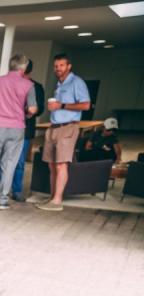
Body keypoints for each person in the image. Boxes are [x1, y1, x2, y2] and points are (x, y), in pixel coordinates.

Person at [0, 54, 38, 210]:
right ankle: (2, 200)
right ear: (24, 67)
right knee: (9, 164)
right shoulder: (28, 85)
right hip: (17, 128)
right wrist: (26, 112)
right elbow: (32, 109)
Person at [39, 53, 91, 211]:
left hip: (68, 127)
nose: (58, 69)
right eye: (56, 66)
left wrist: (61, 106)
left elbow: (86, 105)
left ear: (69, 66)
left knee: (61, 165)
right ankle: (52, 197)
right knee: (51, 165)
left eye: (62, 65)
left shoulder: (77, 82)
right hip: (54, 127)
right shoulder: (60, 84)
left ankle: (57, 200)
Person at [0, 60, 44, 201]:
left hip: (25, 129)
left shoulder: (36, 87)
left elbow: (40, 108)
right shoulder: (8, 83)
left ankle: (16, 190)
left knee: (19, 162)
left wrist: (28, 110)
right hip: (7, 126)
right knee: (1, 158)